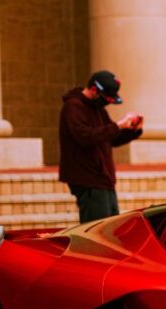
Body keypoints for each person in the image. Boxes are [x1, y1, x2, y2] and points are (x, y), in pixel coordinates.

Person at [59, 70, 143, 223]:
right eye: (105, 99)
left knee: (111, 226)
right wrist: (118, 125)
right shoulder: (73, 107)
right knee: (97, 230)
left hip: (104, 179)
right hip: (88, 178)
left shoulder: (98, 110)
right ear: (93, 90)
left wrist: (133, 130)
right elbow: (85, 137)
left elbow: (110, 138)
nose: (106, 103)